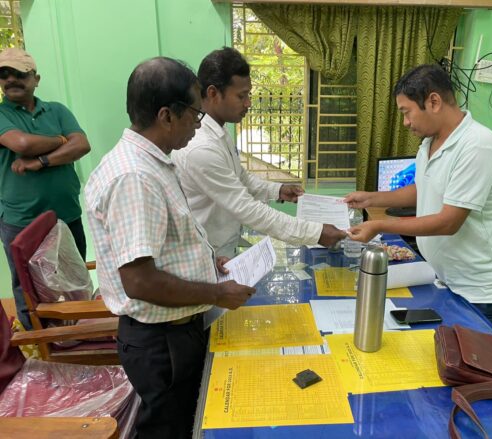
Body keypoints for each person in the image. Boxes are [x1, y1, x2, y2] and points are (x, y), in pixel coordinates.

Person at [84, 57, 255, 439]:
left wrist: (207, 262)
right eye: (194, 113)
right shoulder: (135, 176)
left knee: (186, 420)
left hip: (174, 332)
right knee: (168, 429)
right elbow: (139, 282)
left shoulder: (154, 164)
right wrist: (216, 293)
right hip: (162, 341)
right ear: (166, 116)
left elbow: (162, 246)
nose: (198, 122)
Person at [345, 64, 492, 327]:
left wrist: (379, 225)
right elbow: (422, 188)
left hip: (476, 289)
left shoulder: (477, 145)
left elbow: (449, 222)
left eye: (407, 112)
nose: (405, 122)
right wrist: (371, 199)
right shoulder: (429, 142)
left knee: (463, 353)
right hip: (443, 277)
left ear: (433, 102)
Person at [171, 47, 346, 258]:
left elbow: (240, 177)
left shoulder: (219, 131)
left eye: (248, 94)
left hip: (222, 249)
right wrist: (315, 233)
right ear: (213, 93)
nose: (248, 103)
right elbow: (247, 208)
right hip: (208, 255)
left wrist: (278, 190)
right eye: (241, 96)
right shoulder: (201, 148)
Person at [0, 48, 90, 330]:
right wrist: (62, 140)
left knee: (73, 277)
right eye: (4, 74)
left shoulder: (57, 110)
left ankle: (78, 333)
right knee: (28, 289)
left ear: (36, 79)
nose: (11, 80)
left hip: (66, 215)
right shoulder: (1, 114)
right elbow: (21, 144)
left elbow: (82, 145)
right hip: (22, 220)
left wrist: (41, 161)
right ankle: (39, 342)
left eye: (19, 73)